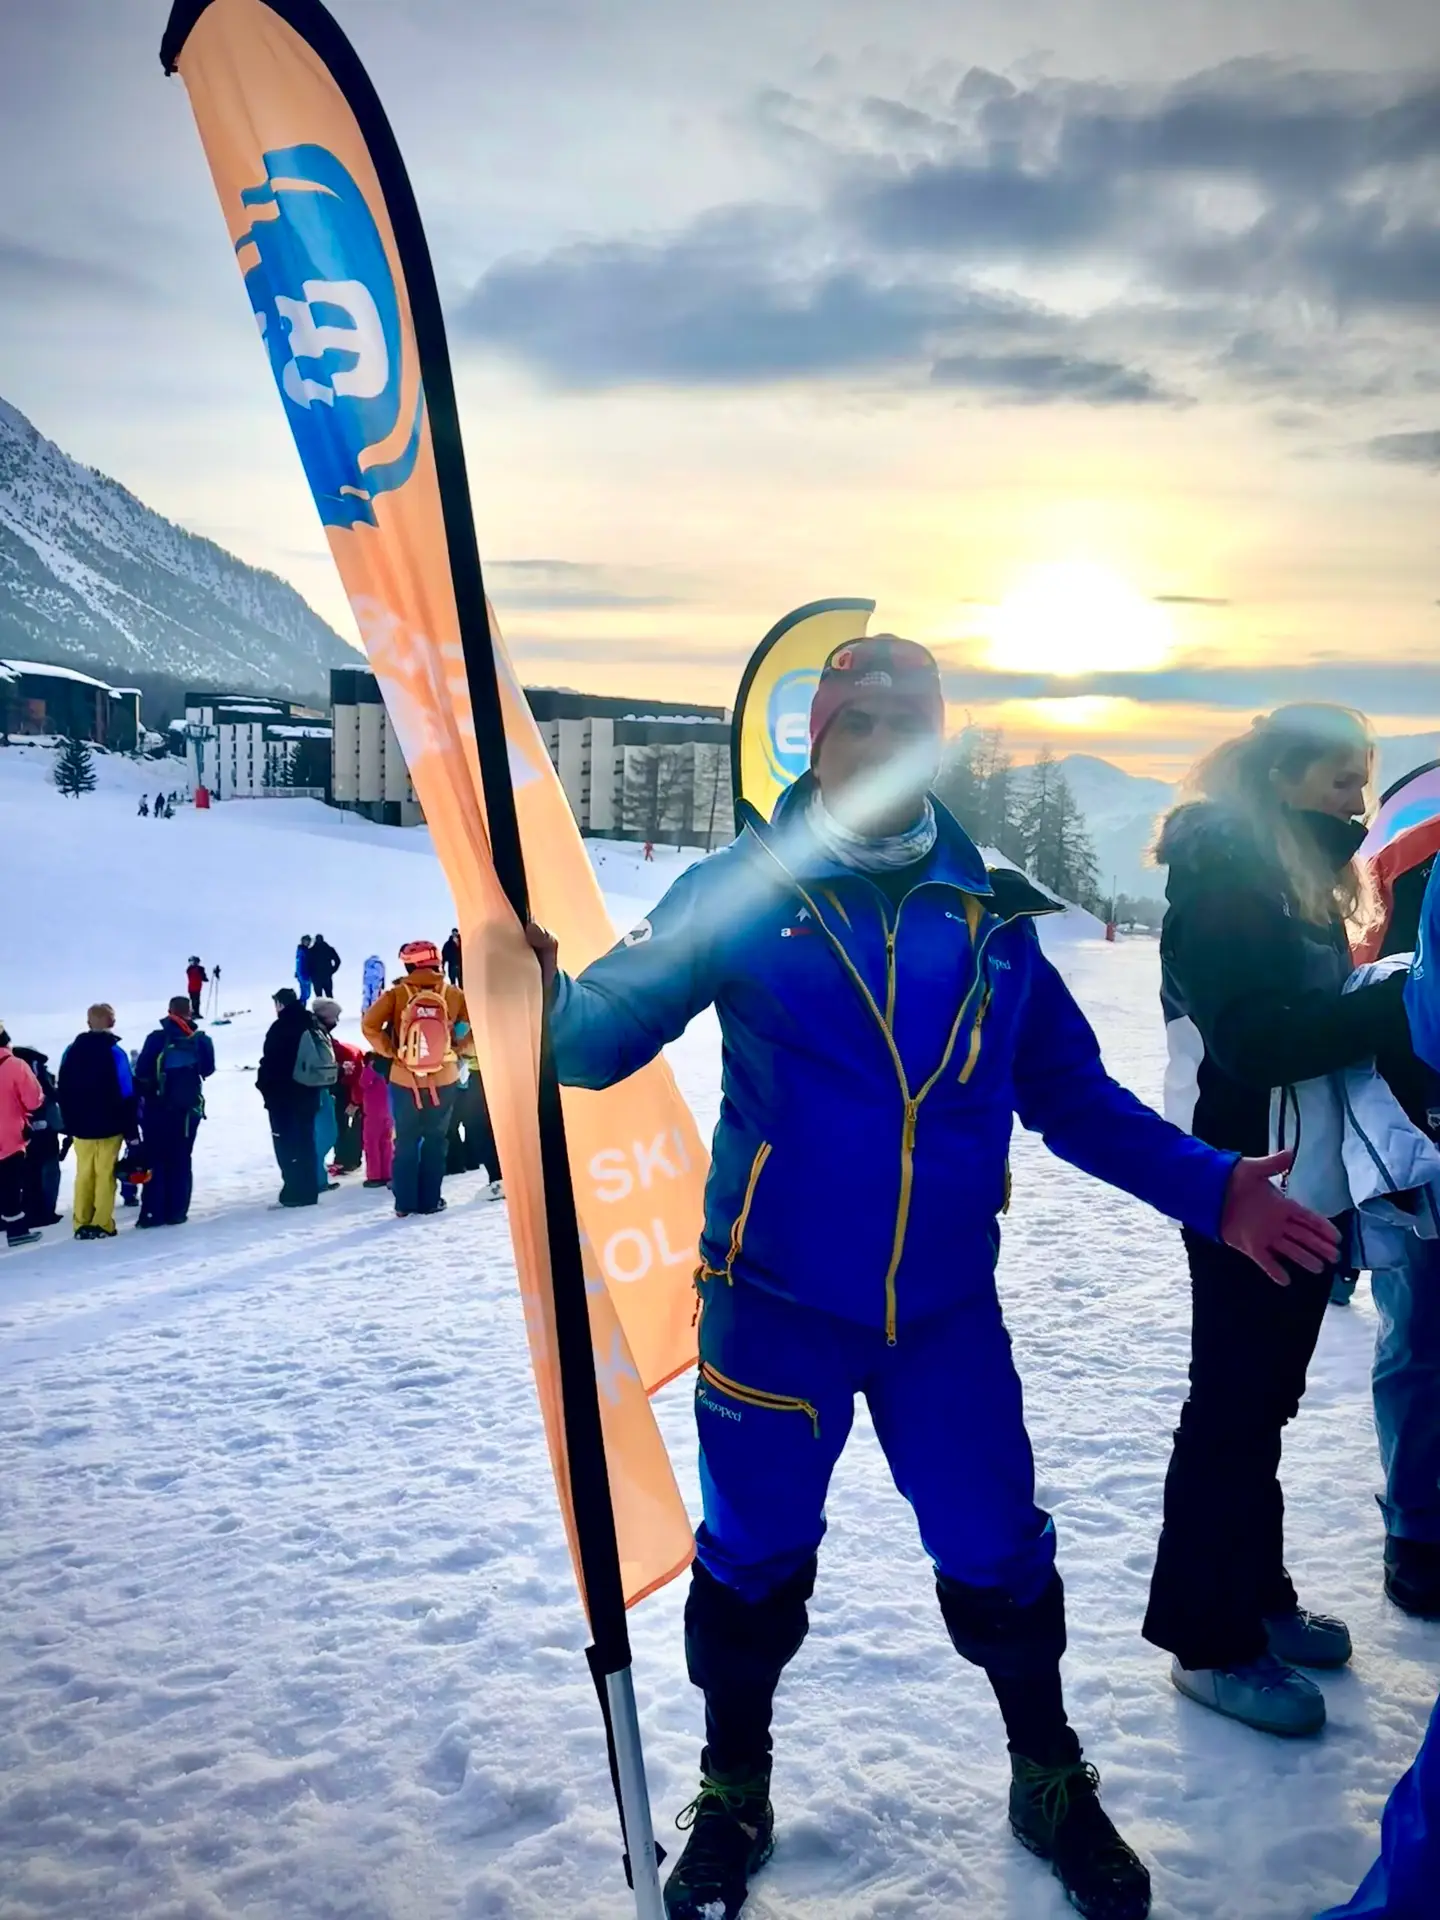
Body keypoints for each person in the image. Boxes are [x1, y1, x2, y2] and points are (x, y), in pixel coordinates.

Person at [531, 635, 1337, 1920]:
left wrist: (1214, 1185)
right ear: (820, 739)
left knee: (1000, 1555)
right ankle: (734, 1785)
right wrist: (522, 993)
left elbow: (1070, 1096)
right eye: (856, 725)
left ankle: (1047, 1773)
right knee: (750, 1563)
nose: (880, 748)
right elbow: (592, 1043)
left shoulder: (993, 913)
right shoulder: (742, 889)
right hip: (774, 1306)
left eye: (907, 727)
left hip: (943, 1321)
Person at [1143, 705, 1418, 1739]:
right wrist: (1396, 1005)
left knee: (1264, 1402)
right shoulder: (1228, 885)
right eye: (1337, 778)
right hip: (1241, 1186)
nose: (1355, 800)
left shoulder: (1293, 884)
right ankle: (1205, 1640)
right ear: (1279, 779)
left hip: (1299, 1184)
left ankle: (1254, 1594)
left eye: (1361, 779)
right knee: (1233, 1406)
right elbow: (1254, 1041)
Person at [362, 940, 472, 1219]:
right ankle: (430, 1200)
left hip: (404, 1079)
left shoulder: (397, 994)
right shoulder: (454, 994)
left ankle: (404, 1203)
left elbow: (369, 1025)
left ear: (409, 965)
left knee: (406, 1140)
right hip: (444, 1077)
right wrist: (458, 1049)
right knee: (437, 1139)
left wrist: (392, 1052)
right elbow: (477, 1028)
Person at [57, 1004, 137, 1240]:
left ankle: (81, 1222)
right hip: (110, 1124)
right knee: (105, 1174)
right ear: (112, 1023)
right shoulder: (115, 1053)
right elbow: (127, 1091)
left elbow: (63, 1087)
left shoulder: (71, 1051)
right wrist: (130, 1124)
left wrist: (69, 1121)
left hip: (80, 1125)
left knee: (84, 1173)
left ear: (88, 1022)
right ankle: (102, 1222)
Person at [134, 997, 215, 1228]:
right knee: (181, 1159)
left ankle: (153, 1213)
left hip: (157, 1109)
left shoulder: (156, 1038)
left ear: (169, 1012)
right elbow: (208, 1069)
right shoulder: (200, 1040)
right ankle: (177, 1211)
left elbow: (141, 1071)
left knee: (157, 1159)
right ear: (189, 1012)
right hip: (188, 1111)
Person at [256, 988, 335, 1207]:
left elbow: (272, 1062)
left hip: (284, 1096)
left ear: (280, 1004)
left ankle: (294, 1191)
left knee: (286, 1143)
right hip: (309, 1092)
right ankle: (309, 1190)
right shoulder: (311, 1022)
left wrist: (263, 1086)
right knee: (306, 1140)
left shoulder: (281, 1027)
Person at [0, 1023, 44, 1248]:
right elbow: (33, 1100)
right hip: (8, 1137)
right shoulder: (15, 1065)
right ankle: (17, 1231)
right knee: (10, 1183)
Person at [12, 1041, 62, 1229]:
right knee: (46, 1172)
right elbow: (48, 1099)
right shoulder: (38, 1073)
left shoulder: (10, 1070)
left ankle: (21, 1211)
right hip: (43, 1130)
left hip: (17, 1132)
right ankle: (44, 1211)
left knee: (22, 1173)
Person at [445, 1060, 503, 1193]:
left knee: (482, 1127)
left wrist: (460, 1048)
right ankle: (496, 1179)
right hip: (474, 1074)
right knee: (477, 1128)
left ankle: (499, 1179)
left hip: (488, 1071)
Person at [309, 998, 346, 1189]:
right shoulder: (315, 1033)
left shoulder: (320, 1032)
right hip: (317, 1088)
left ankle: (318, 1177)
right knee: (325, 1134)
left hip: (322, 1087)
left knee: (326, 1133)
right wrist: (338, 1070)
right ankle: (315, 1178)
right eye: (335, 1017)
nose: (337, 1022)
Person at [359, 1053, 395, 1189]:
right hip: (388, 1111)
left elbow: (363, 1083)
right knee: (386, 1143)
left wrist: (369, 1068)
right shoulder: (389, 1070)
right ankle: (387, 1173)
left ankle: (374, 1176)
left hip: (373, 1113)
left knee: (372, 1144)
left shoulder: (371, 1071)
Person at [309, 933, 341, 999]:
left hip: (317, 978)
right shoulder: (329, 949)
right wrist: (332, 971)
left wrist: (332, 971)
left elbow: (338, 961)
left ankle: (324, 1009)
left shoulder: (311, 951)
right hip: (324, 977)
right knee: (329, 997)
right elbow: (338, 961)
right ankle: (331, 1009)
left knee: (320, 999)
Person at [295, 934, 314, 1005]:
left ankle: (300, 1008)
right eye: (308, 940)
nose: (309, 942)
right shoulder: (303, 951)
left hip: (303, 974)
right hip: (304, 975)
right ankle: (299, 1008)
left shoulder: (302, 950)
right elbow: (302, 963)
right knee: (305, 994)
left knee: (306, 994)